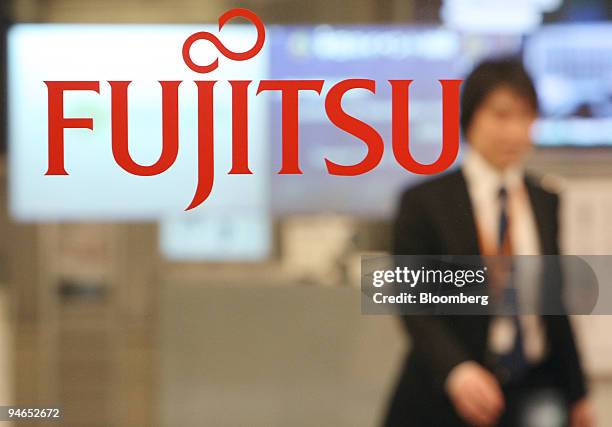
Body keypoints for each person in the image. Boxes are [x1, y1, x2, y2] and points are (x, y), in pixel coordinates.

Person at [383, 57, 594, 427]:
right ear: (471, 116)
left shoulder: (544, 200)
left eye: (525, 117)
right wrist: (455, 369)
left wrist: (577, 394)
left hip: (532, 393)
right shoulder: (426, 202)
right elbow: (413, 301)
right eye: (501, 115)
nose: (514, 131)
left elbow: (554, 305)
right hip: (447, 393)